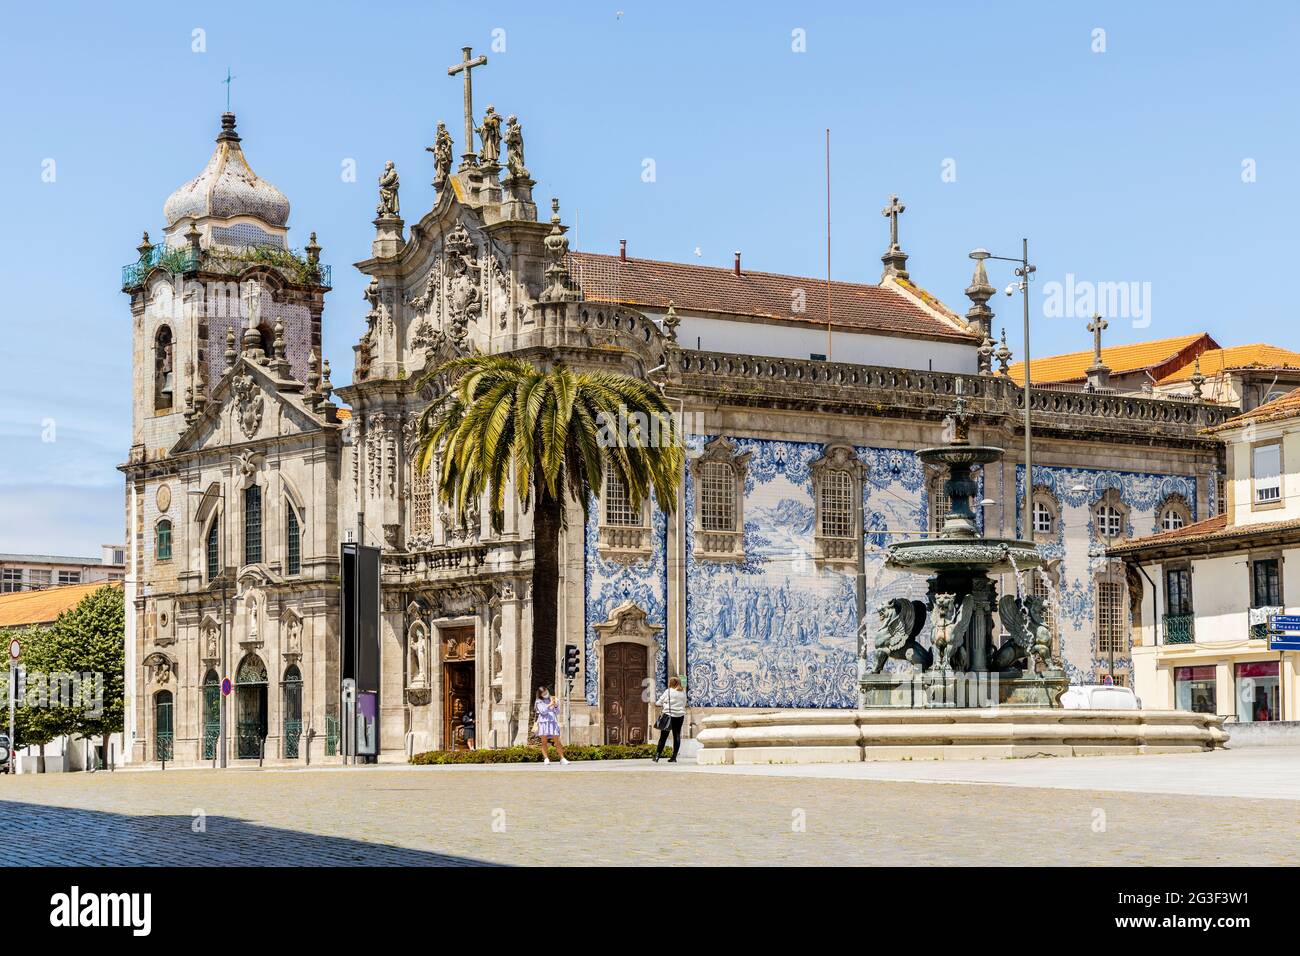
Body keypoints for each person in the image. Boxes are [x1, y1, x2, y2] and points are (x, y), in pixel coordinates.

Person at [654, 677, 687, 763]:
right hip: (680, 716)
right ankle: (674, 757)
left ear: (671, 683)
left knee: (663, 737)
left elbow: (658, 703)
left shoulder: (668, 691)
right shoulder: (683, 692)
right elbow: (684, 703)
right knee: (676, 736)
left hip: (669, 716)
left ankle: (657, 756)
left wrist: (664, 704)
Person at [534, 687, 566, 765]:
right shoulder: (539, 702)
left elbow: (558, 712)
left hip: (553, 721)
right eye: (544, 693)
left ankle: (562, 758)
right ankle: (546, 758)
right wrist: (550, 704)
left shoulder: (554, 699)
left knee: (557, 741)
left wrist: (555, 705)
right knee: (544, 741)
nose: (546, 694)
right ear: (540, 694)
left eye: (546, 692)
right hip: (543, 722)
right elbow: (543, 711)